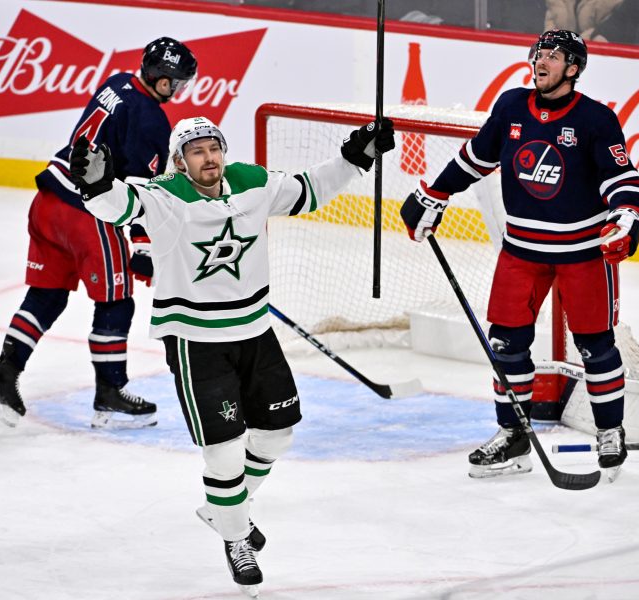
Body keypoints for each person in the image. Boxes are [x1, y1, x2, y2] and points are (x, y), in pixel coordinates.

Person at [69, 115, 395, 596]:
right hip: (196, 341)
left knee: (277, 435)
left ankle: (223, 510)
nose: (209, 158)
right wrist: (98, 185)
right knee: (223, 452)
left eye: (214, 148)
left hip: (255, 333)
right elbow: (121, 205)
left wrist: (356, 156)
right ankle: (237, 538)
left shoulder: (251, 182)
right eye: (196, 151)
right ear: (180, 161)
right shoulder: (165, 196)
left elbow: (309, 190)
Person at [400, 29, 639, 480]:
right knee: (506, 344)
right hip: (521, 250)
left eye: (553, 55)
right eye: (539, 53)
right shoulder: (512, 105)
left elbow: (620, 178)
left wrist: (627, 215)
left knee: (595, 347)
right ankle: (513, 436)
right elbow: (476, 158)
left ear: (573, 68)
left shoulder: (596, 119)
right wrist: (435, 193)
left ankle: (610, 431)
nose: (541, 61)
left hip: (581, 252)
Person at [0, 38, 197, 429]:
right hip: (87, 212)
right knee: (116, 300)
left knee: (47, 294)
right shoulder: (151, 120)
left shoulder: (116, 81)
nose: (178, 89)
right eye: (177, 82)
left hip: (48, 202)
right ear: (162, 80)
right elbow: (140, 188)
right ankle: (109, 397)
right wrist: (143, 247)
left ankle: (2, 377)